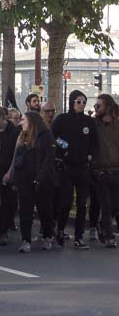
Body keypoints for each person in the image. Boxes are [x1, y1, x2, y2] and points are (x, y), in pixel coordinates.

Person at [51, 90, 98, 249]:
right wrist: (64, 147)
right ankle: (60, 229)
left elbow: (94, 141)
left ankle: (79, 237)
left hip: (83, 168)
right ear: (72, 102)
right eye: (78, 102)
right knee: (66, 202)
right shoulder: (62, 119)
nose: (81, 105)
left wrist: (90, 155)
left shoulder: (88, 122)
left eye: (84, 102)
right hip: (67, 167)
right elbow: (54, 137)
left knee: (82, 203)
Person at [8, 111, 57, 252]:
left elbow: (49, 160)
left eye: (23, 120)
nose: (21, 122)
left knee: (44, 210)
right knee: (25, 211)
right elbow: (17, 159)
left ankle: (48, 236)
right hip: (25, 180)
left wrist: (39, 179)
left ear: (32, 122)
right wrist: (15, 179)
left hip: (42, 181)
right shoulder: (22, 136)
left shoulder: (46, 137)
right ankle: (25, 240)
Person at [92, 94, 119, 248]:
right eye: (95, 106)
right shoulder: (93, 125)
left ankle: (103, 223)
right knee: (106, 205)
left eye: (99, 106)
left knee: (116, 204)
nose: (96, 108)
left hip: (117, 170)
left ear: (108, 107)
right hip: (100, 171)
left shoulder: (117, 125)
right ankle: (108, 235)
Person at [0, 106, 19, 245]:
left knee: (9, 201)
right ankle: (0, 229)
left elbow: (16, 152)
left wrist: (10, 171)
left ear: (2, 118)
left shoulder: (13, 131)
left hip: (9, 169)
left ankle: (6, 227)